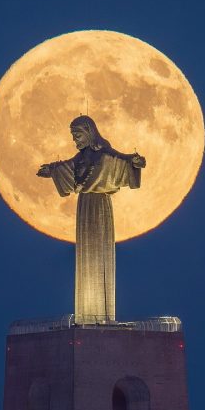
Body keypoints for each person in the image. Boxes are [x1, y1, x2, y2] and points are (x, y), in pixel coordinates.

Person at [37, 116, 145, 323]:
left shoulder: (104, 155)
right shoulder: (81, 157)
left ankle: (100, 316)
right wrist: (51, 170)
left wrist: (135, 161)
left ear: (88, 132)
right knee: (86, 253)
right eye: (72, 135)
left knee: (99, 251)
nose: (74, 139)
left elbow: (122, 159)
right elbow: (67, 166)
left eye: (77, 134)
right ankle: (86, 316)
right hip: (84, 207)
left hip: (100, 206)